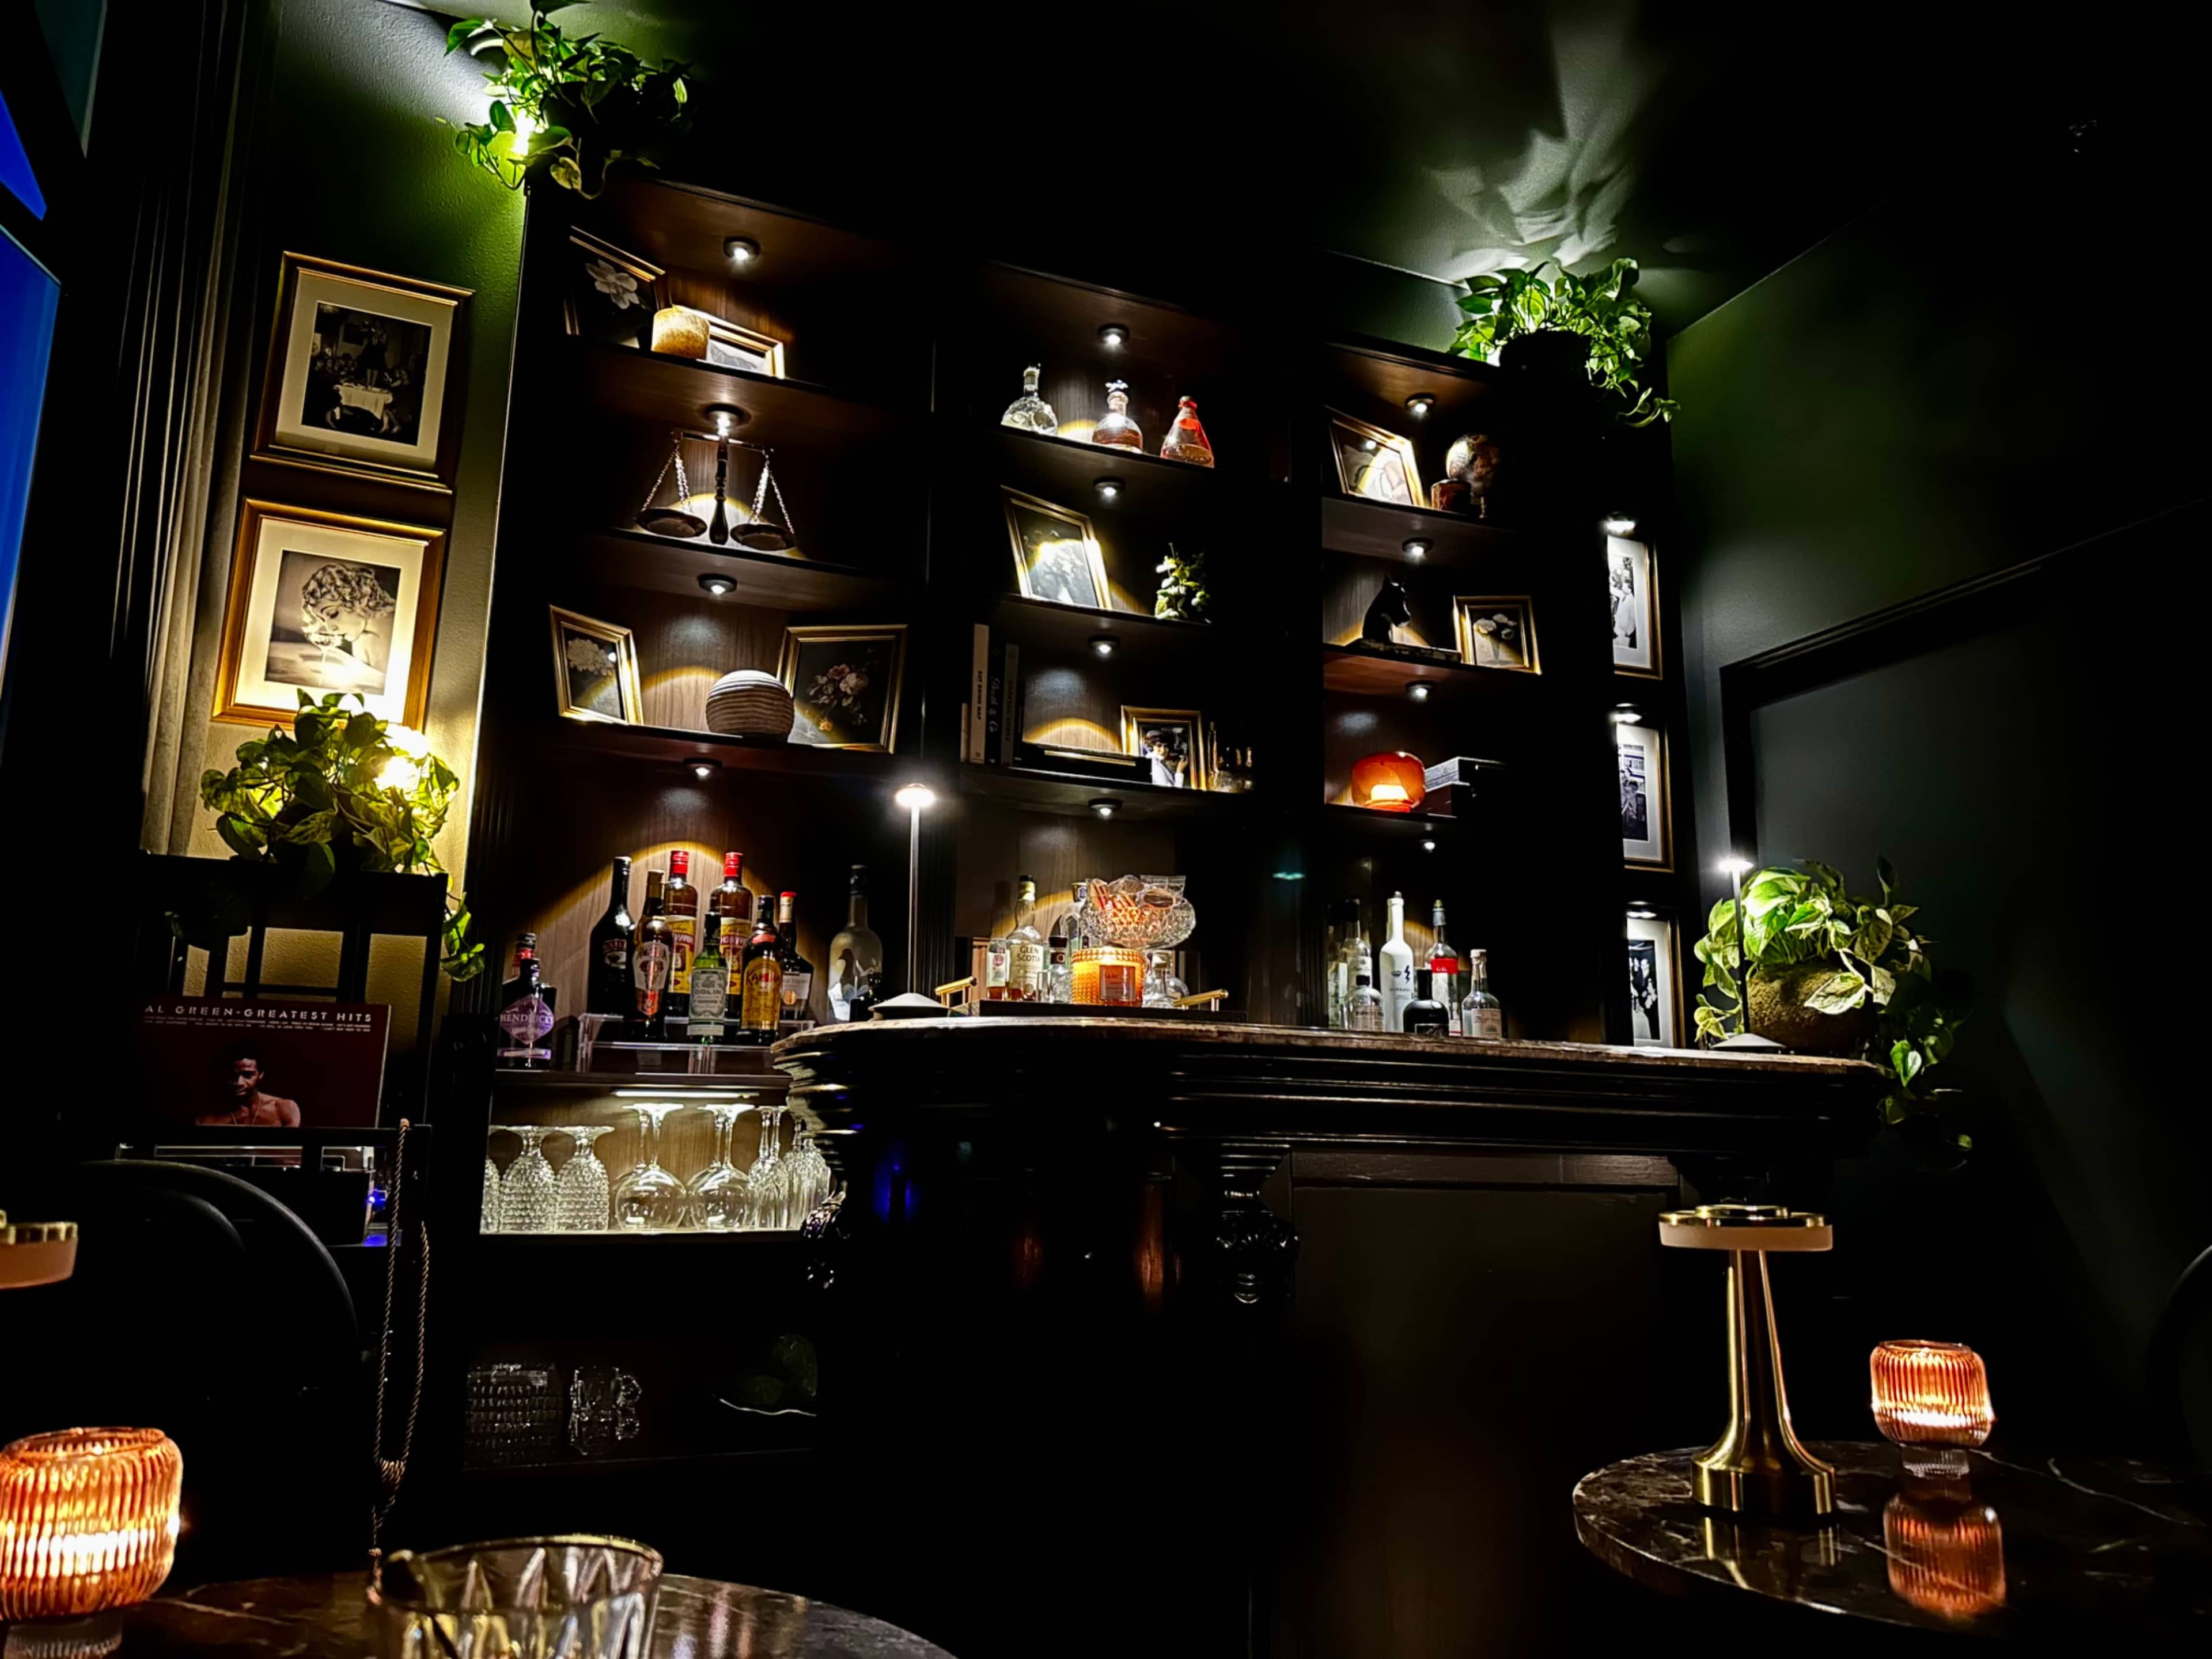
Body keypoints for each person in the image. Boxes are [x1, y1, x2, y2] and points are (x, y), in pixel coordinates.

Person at [196, 1046, 303, 1127]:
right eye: (233, 1076)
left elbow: (291, 1154)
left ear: (261, 1075)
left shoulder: (284, 1108)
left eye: (248, 1075)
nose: (239, 1083)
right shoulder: (207, 1118)